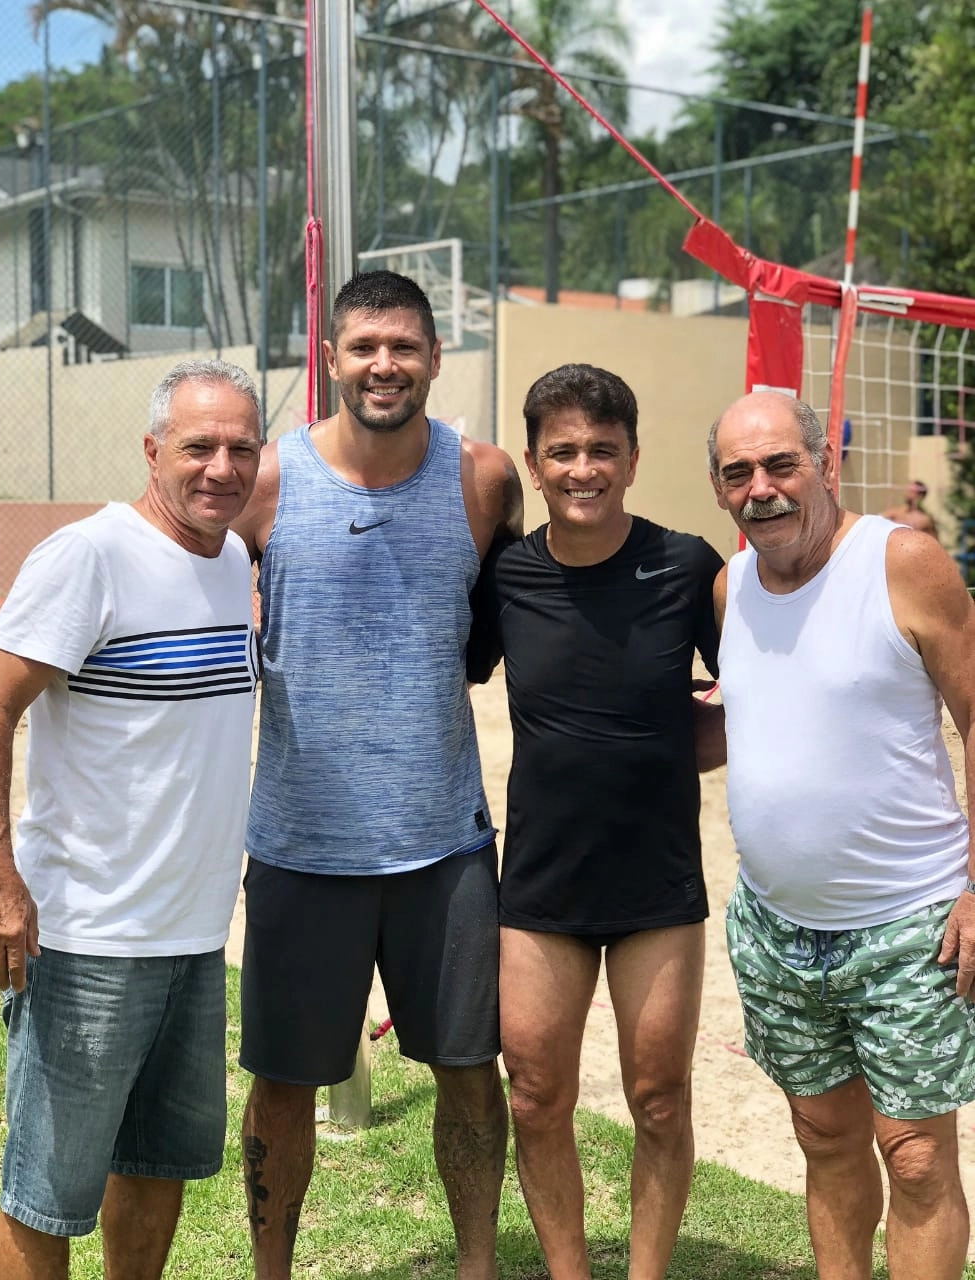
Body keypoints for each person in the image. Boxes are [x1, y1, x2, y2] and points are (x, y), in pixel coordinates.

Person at [233, 269, 523, 1280]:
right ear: (330, 357)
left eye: (403, 345)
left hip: (442, 839)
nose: (384, 364)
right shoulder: (266, 481)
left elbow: (500, 635)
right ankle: (274, 1267)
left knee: (469, 1073)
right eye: (364, 346)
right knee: (279, 1083)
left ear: (436, 356)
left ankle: (477, 1263)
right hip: (300, 844)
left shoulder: (482, 478)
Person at [0, 358, 263, 1279]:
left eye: (240, 448)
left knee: (156, 1165)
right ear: (152, 449)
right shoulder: (89, 556)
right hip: (88, 936)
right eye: (197, 446)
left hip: (195, 934)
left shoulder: (231, 557)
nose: (220, 468)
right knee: (48, 1192)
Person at [709, 390, 975, 1280]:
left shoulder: (902, 562)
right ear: (717, 489)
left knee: (918, 1156)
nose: (761, 489)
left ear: (826, 464)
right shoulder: (730, 584)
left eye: (780, 464)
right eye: (737, 472)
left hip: (910, 924)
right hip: (776, 928)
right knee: (824, 1142)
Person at [467, 363, 725, 1280]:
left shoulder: (687, 565)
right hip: (541, 883)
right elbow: (440, 670)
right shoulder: (506, 578)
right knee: (536, 1097)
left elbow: (765, 692)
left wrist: (667, 743)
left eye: (602, 451)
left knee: (659, 1099)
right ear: (534, 466)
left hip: (656, 881)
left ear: (633, 458)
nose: (584, 468)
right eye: (563, 451)